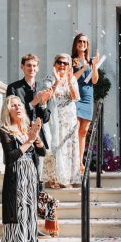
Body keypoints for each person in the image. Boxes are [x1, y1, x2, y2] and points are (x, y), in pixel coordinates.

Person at [0, 96, 46, 242]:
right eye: (13, 105)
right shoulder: (5, 130)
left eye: (19, 105)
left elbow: (42, 153)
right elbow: (10, 157)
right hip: (15, 180)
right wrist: (29, 141)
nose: (17, 108)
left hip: (30, 179)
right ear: (7, 110)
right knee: (14, 224)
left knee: (30, 222)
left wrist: (37, 139)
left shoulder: (28, 128)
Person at [6, 53, 52, 192]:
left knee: (38, 173)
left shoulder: (41, 89)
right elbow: (11, 112)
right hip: (19, 135)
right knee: (22, 172)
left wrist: (43, 104)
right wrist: (33, 103)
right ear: (22, 67)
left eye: (34, 66)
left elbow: (46, 118)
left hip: (38, 136)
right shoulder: (14, 88)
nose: (31, 68)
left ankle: (37, 202)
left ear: (37, 68)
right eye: (28, 65)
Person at [44, 53, 82, 188]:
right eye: (60, 62)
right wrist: (56, 80)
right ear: (54, 64)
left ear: (69, 66)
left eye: (65, 63)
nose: (62, 65)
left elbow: (75, 96)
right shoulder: (49, 78)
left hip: (69, 118)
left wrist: (70, 81)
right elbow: (48, 96)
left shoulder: (72, 79)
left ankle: (68, 178)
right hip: (55, 117)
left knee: (68, 147)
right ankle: (55, 179)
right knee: (55, 145)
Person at [72, 33, 100, 173]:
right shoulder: (73, 61)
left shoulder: (90, 61)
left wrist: (93, 66)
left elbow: (94, 80)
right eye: (80, 41)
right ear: (76, 43)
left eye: (85, 42)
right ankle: (75, 161)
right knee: (75, 130)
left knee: (83, 132)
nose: (82, 44)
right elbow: (72, 78)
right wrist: (83, 68)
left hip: (88, 97)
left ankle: (81, 161)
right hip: (77, 96)